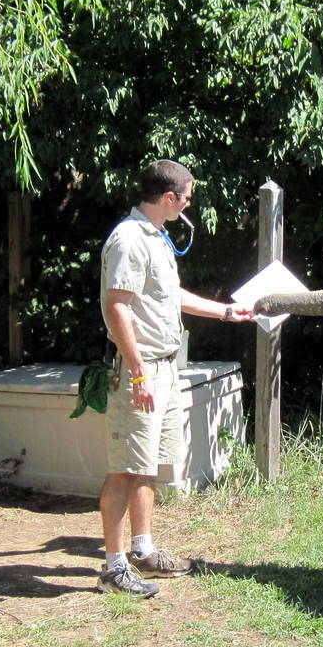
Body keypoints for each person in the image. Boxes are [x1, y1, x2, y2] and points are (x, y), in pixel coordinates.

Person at [99, 160, 253, 597]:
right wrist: (139, 374)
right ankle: (113, 568)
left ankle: (143, 551)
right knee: (125, 468)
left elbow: (171, 296)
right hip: (142, 369)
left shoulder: (155, 237)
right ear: (169, 198)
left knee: (147, 465)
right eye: (186, 197)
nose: (188, 204)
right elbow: (117, 307)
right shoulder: (129, 239)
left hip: (165, 367)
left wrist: (226, 311)